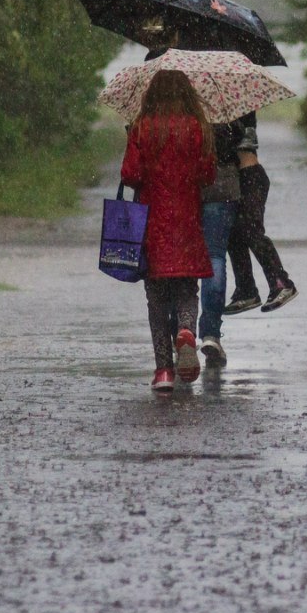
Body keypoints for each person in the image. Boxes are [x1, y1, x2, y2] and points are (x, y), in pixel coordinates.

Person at [120, 70, 216, 392]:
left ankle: (163, 371)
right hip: (187, 219)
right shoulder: (197, 127)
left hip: (154, 223)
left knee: (157, 298)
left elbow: (130, 175)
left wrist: (133, 143)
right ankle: (187, 330)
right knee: (187, 288)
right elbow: (207, 174)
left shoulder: (142, 128)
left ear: (153, 93)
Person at [223, 111, 298, 315]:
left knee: (250, 230)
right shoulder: (216, 112)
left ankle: (282, 283)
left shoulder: (237, 109)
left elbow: (240, 140)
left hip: (251, 177)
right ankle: (246, 290)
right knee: (233, 235)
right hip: (234, 180)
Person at [197, 117, 244, 367]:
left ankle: (179, 330)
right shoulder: (224, 103)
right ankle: (211, 333)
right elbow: (240, 140)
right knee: (214, 255)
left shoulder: (175, 103)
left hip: (185, 187)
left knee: (180, 258)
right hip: (223, 185)